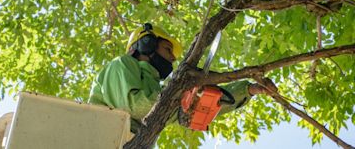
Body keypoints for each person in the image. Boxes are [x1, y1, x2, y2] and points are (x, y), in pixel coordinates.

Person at [88, 23, 273, 133]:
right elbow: (134, 105)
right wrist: (181, 95)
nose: (172, 58)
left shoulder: (159, 94)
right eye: (168, 49)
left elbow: (199, 110)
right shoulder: (123, 64)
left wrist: (247, 90)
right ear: (147, 43)